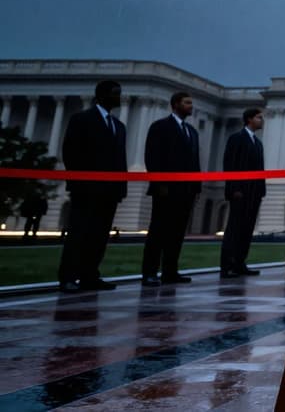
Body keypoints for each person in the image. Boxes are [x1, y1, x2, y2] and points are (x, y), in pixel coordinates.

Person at [57, 80, 127, 292]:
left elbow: (120, 160)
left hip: (110, 190)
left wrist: (121, 186)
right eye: (116, 93)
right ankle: (68, 276)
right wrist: (79, 182)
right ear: (103, 95)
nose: (119, 97)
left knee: (99, 235)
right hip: (86, 189)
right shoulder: (82, 119)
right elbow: (70, 151)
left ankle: (90, 275)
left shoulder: (119, 126)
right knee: (78, 234)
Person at [141, 92, 201, 287]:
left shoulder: (192, 131)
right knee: (158, 232)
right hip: (166, 189)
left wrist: (196, 187)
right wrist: (160, 184)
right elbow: (153, 157)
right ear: (176, 104)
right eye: (187, 102)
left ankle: (170, 271)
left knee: (177, 233)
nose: (191, 106)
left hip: (186, 190)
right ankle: (150, 272)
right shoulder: (160, 127)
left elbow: (194, 161)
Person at [220, 108, 266, 279]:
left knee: (247, 230)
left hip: (254, 193)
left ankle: (240, 262)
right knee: (234, 229)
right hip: (240, 192)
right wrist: (234, 188)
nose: (261, 120)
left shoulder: (257, 143)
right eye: (258, 117)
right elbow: (230, 164)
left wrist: (261, 190)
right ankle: (227, 266)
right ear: (249, 119)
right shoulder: (236, 139)